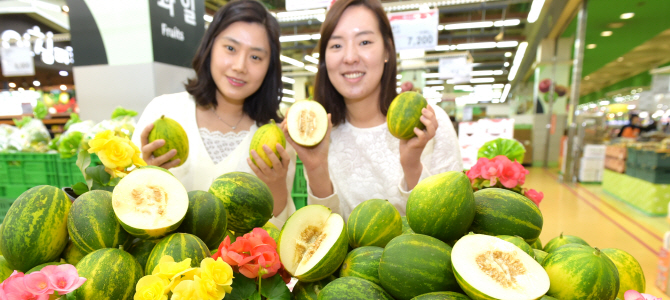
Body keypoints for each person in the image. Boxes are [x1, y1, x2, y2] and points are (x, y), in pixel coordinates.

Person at [282, 0, 462, 220]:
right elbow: (325, 231)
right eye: (336, 45)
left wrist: (412, 165)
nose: (350, 57)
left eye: (365, 42)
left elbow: (447, 222)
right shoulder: (323, 132)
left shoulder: (429, 124)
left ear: (387, 49)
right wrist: (316, 167)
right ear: (324, 59)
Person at [132, 0, 295, 227]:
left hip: (237, 262)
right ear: (210, 47)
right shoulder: (163, 111)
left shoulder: (277, 137)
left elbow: (277, 229)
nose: (240, 66)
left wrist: (276, 185)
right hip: (166, 259)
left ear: (270, 67)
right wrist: (145, 172)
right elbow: (130, 204)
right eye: (230, 48)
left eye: (256, 57)